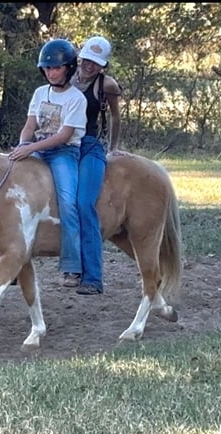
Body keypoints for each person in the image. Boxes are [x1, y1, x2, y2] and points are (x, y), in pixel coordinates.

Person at [0, 38, 87, 288]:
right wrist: (22, 145)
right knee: (6, 191)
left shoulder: (76, 99)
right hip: (37, 148)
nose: (51, 73)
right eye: (47, 68)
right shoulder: (40, 93)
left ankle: (72, 267)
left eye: (56, 68)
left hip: (64, 153)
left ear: (69, 68)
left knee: (68, 203)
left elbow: (64, 135)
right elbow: (30, 125)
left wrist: (31, 148)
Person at [70, 36, 123, 295]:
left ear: (103, 66)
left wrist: (113, 147)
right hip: (62, 144)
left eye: (96, 63)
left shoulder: (106, 85)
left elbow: (115, 116)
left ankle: (92, 276)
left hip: (90, 146)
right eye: (87, 60)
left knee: (84, 203)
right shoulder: (65, 76)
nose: (90, 66)